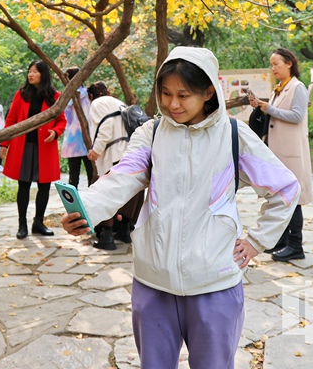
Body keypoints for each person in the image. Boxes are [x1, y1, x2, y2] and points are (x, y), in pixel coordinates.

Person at [62, 47, 299, 369]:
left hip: (214, 282)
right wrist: (86, 209)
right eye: (165, 93)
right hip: (153, 281)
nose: (173, 104)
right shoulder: (152, 132)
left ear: (208, 93)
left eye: (183, 95)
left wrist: (258, 241)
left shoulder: (233, 134)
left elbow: (285, 188)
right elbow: (122, 176)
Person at [249, 48, 312, 262]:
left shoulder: (298, 87)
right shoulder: (279, 89)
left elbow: (296, 115)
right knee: (283, 197)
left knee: (293, 199)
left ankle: (296, 245)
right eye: (272, 64)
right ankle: (282, 241)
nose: (273, 68)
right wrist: (260, 107)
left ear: (289, 64)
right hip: (280, 152)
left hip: (292, 152)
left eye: (276, 63)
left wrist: (269, 109)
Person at [0, 60, 67, 239]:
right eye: (29, 71)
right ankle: (22, 224)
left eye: (35, 71)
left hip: (45, 148)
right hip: (23, 147)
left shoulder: (55, 96)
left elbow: (62, 120)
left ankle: (38, 223)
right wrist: (4, 144)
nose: (31, 74)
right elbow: (11, 120)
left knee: (44, 186)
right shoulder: (21, 95)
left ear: (43, 74)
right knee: (23, 186)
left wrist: (55, 131)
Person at [86, 81, 137, 249]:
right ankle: (124, 232)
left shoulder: (97, 103)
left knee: (105, 193)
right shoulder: (118, 102)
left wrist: (96, 150)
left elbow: (105, 126)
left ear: (91, 95)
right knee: (128, 192)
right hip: (129, 152)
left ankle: (107, 237)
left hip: (113, 154)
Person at [61, 68, 94, 188]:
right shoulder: (87, 94)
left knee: (73, 176)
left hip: (74, 140)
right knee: (91, 173)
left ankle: (74, 205)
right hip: (86, 139)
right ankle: (90, 202)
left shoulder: (72, 95)